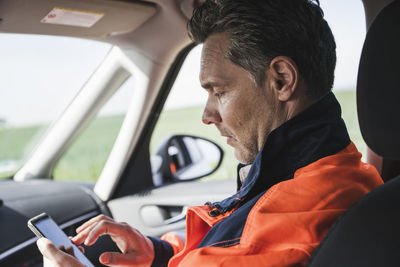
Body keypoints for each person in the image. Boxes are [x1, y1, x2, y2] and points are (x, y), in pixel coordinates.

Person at [36, 0, 384, 266]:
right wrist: (157, 253)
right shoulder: (347, 174)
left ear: (281, 79)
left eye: (219, 91)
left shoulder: (286, 219)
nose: (207, 115)